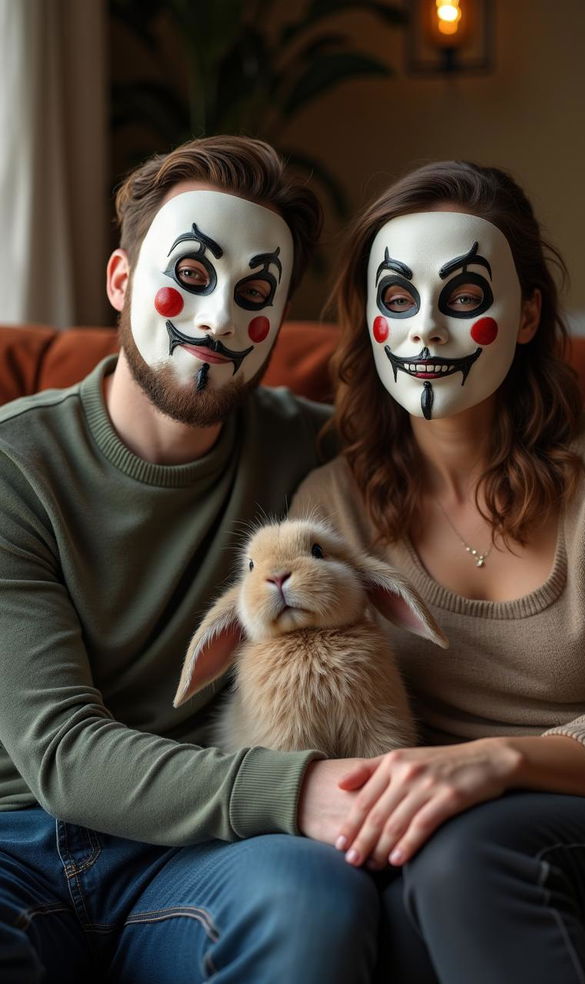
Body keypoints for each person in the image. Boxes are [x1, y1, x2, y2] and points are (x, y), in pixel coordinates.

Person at [0, 135, 381, 983]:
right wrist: (291, 792)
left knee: (314, 904)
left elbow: (467, 447)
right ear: (121, 280)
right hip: (16, 837)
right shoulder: (13, 466)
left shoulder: (309, 447)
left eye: (255, 294)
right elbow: (60, 751)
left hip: (200, 856)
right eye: (193, 276)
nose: (217, 320)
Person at [290, 160, 585, 983]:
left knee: (458, 858)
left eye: (464, 297)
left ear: (526, 317)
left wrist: (498, 760)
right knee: (404, 891)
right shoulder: (327, 509)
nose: (425, 333)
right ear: (369, 317)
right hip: (436, 859)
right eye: (399, 299)